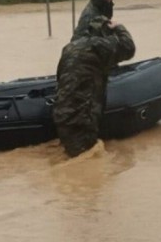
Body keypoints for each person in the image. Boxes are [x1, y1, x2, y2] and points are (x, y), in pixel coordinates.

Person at [53, 15, 136, 157]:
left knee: (71, 157)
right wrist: (118, 27)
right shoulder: (99, 46)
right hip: (82, 119)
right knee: (85, 164)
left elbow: (60, 77)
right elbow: (129, 48)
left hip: (61, 115)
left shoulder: (68, 48)